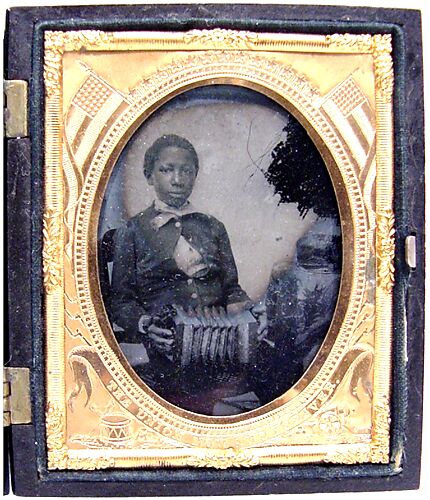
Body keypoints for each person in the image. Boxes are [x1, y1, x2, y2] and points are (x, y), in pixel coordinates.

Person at [110, 134, 251, 409]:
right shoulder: (133, 231)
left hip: (217, 348)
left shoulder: (213, 227)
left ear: (195, 176)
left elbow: (231, 288)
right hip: (165, 349)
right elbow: (120, 301)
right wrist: (145, 324)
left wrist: (242, 307)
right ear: (150, 177)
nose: (178, 179)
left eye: (186, 171)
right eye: (167, 170)